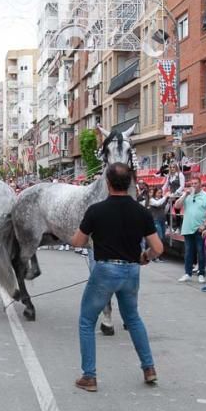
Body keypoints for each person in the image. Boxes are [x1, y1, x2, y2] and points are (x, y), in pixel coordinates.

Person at [69, 163, 162, 392]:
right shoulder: (142, 212)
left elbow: (77, 242)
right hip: (131, 270)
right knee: (133, 319)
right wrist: (144, 257)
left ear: (107, 183)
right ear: (130, 182)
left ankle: (89, 376)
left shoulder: (96, 210)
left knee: (86, 321)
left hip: (105, 270)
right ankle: (148, 368)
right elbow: (158, 248)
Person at [174, 177, 206, 283]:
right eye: (192, 183)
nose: (194, 185)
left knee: (200, 252)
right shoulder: (187, 195)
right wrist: (185, 194)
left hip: (199, 228)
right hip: (187, 227)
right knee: (188, 252)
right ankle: (187, 273)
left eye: (196, 183)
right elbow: (177, 205)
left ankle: (201, 273)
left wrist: (205, 225)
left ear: (200, 184)